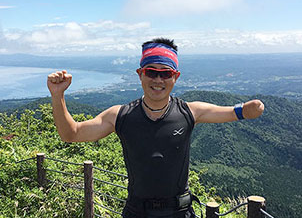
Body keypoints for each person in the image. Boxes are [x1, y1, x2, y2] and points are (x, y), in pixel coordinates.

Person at [47, 38, 264, 218]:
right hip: (136, 211)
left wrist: (246, 110)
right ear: (140, 73)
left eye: (166, 73)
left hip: (180, 212)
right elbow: (71, 134)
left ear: (175, 77)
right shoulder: (120, 116)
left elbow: (230, 112)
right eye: (151, 72)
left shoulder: (190, 112)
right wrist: (58, 96)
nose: (158, 79)